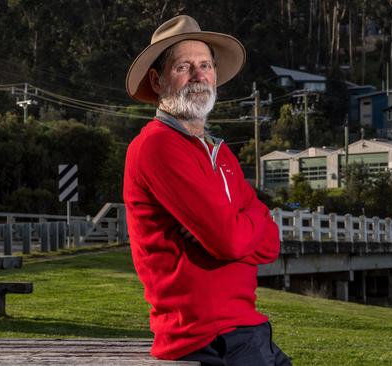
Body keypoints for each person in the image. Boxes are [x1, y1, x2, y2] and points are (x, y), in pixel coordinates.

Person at [123, 15, 292, 365]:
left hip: (245, 330)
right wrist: (240, 223)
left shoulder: (219, 151)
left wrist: (242, 220)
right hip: (206, 339)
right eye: (184, 66)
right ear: (157, 80)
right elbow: (229, 241)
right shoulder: (157, 146)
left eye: (205, 65)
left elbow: (271, 244)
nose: (199, 76)